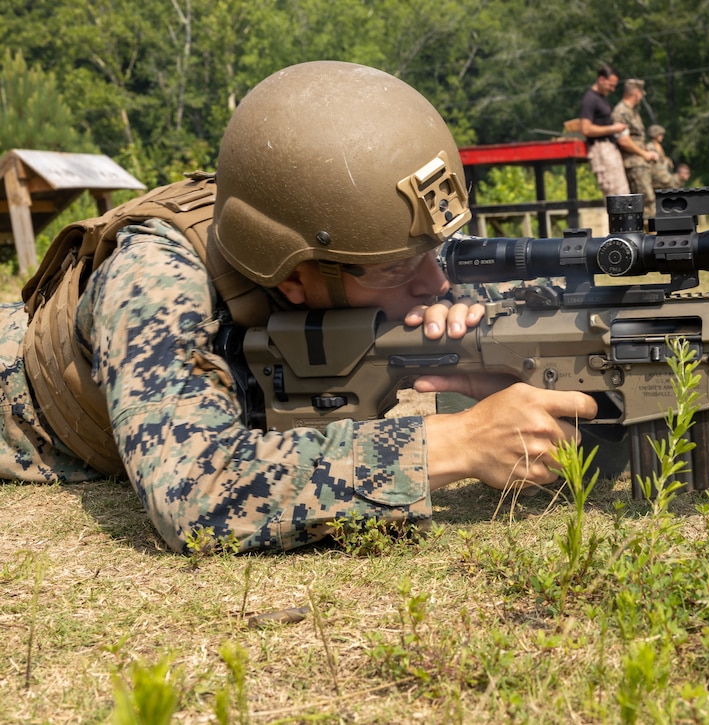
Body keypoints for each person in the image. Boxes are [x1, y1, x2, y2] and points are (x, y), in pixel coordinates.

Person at [7, 61, 597, 554]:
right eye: (397, 268)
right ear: (293, 277)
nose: (434, 283)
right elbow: (195, 496)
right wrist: (457, 443)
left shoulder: (338, 225)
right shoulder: (154, 279)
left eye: (435, 254)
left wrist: (486, 354)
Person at [579, 65, 630, 198]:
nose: (612, 89)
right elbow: (585, 128)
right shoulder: (590, 99)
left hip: (610, 147)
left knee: (622, 192)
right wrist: (613, 128)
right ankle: (616, 219)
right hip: (600, 150)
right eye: (611, 85)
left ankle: (623, 219)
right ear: (601, 79)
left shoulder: (602, 98)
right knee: (614, 193)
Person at [611, 79, 659, 218]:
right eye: (641, 93)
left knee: (656, 195)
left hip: (642, 163)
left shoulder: (632, 112)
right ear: (636, 93)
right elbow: (623, 140)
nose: (642, 96)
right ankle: (647, 237)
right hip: (634, 164)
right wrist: (644, 154)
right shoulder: (621, 112)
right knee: (645, 201)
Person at [647, 124, 691, 190]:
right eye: (660, 134)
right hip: (656, 175)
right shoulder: (649, 147)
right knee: (673, 182)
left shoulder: (659, 146)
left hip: (663, 174)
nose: (662, 136)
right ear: (655, 134)